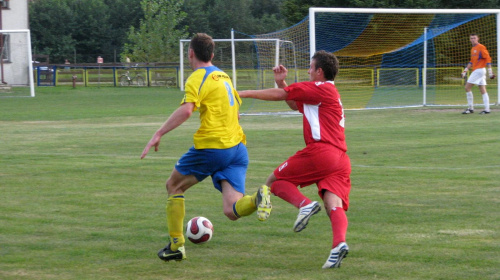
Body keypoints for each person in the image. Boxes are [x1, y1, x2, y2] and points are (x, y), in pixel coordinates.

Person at [140, 33, 272, 262]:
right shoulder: (224, 76)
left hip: (214, 147)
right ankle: (257, 199)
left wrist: (159, 132)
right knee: (232, 210)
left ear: (190, 53)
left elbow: (187, 109)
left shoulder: (197, 77)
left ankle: (176, 245)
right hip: (237, 148)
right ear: (211, 55)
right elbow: (236, 112)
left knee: (173, 185)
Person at [238, 50, 351, 269]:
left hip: (322, 152)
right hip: (340, 159)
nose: (308, 71)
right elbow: (292, 101)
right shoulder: (325, 93)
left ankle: (305, 205)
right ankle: (339, 245)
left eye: (310, 67)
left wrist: (240, 93)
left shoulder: (319, 88)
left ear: (319, 71)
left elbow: (282, 96)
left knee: (273, 182)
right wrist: (282, 83)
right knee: (333, 204)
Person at [461, 33, 495, 114]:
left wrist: (490, 72)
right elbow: (471, 61)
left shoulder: (481, 47)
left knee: (467, 88)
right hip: (478, 70)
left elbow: (488, 59)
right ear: (470, 39)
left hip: (479, 70)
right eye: (471, 38)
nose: (473, 39)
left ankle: (470, 108)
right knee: (482, 89)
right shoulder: (473, 49)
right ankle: (487, 109)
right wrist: (465, 71)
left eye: (474, 38)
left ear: (478, 38)